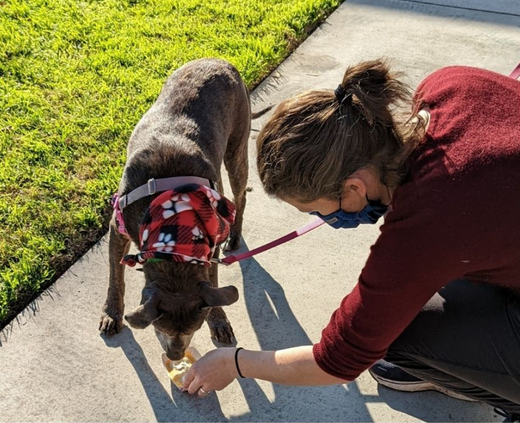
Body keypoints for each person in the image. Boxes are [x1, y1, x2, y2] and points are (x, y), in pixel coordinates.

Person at [182, 60, 520, 421]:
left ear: (354, 187)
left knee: (391, 336)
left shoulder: (430, 219)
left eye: (318, 210)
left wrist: (236, 362)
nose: (324, 220)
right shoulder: (447, 86)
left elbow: (338, 360)